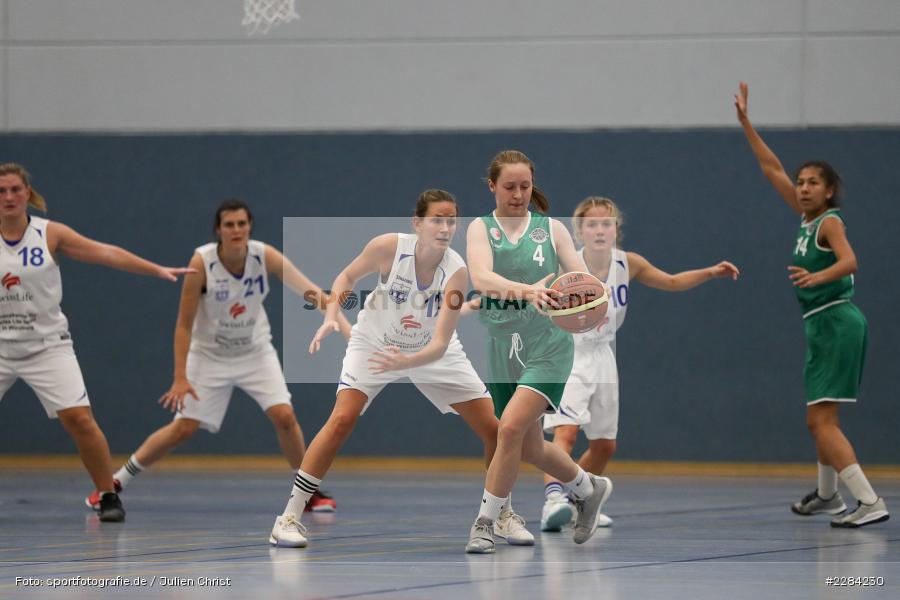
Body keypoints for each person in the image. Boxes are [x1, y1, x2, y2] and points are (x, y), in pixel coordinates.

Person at [269, 189, 531, 548]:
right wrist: (332, 315)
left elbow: (440, 343)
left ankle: (499, 514)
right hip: (374, 344)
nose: (445, 227)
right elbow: (346, 278)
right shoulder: (388, 248)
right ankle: (289, 516)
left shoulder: (455, 271)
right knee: (342, 419)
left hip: (430, 352)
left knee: (494, 429)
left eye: (451, 220)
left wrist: (408, 361)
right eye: (437, 219)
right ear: (418, 223)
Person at [85, 199, 349, 514]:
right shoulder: (202, 263)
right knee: (183, 427)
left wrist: (345, 328)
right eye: (229, 225)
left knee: (284, 416)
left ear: (249, 227)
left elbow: (311, 292)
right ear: (218, 230)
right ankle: (116, 481)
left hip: (254, 351)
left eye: (242, 224)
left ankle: (306, 492)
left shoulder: (264, 257)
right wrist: (180, 377)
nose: (236, 230)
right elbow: (183, 325)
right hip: (209, 355)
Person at [0, 162, 194, 522]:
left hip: (46, 346)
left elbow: (105, 252)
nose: (9, 197)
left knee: (80, 420)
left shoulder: (49, 234)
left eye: (15, 189)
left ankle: (107, 494)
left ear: (27, 193)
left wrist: (154, 269)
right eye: (1, 191)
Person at [735, 82, 889, 528]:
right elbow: (770, 168)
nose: (802, 188)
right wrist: (746, 122)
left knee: (823, 423)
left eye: (812, 183)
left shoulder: (830, 222)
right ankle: (827, 496)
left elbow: (850, 261)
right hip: (822, 324)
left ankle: (869, 500)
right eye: (800, 182)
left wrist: (817, 276)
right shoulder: (805, 219)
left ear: (829, 190)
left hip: (838, 321)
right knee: (817, 419)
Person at [540, 196, 739, 531]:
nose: (600, 230)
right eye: (592, 224)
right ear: (579, 231)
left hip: (604, 354)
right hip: (569, 352)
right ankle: (552, 500)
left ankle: (580, 500)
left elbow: (673, 282)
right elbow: (539, 297)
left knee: (604, 445)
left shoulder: (627, 263)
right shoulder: (566, 264)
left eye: (607, 223)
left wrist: (709, 272)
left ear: (617, 229)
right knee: (566, 432)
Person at [463, 150, 613, 554]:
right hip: (501, 345)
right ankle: (588, 486)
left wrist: (590, 304)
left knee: (507, 429)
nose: (518, 194)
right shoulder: (480, 228)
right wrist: (527, 290)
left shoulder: (553, 231)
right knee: (527, 447)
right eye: (509, 187)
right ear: (493, 186)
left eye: (525, 186)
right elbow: (481, 277)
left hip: (546, 346)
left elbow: (579, 279)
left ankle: (485, 522)